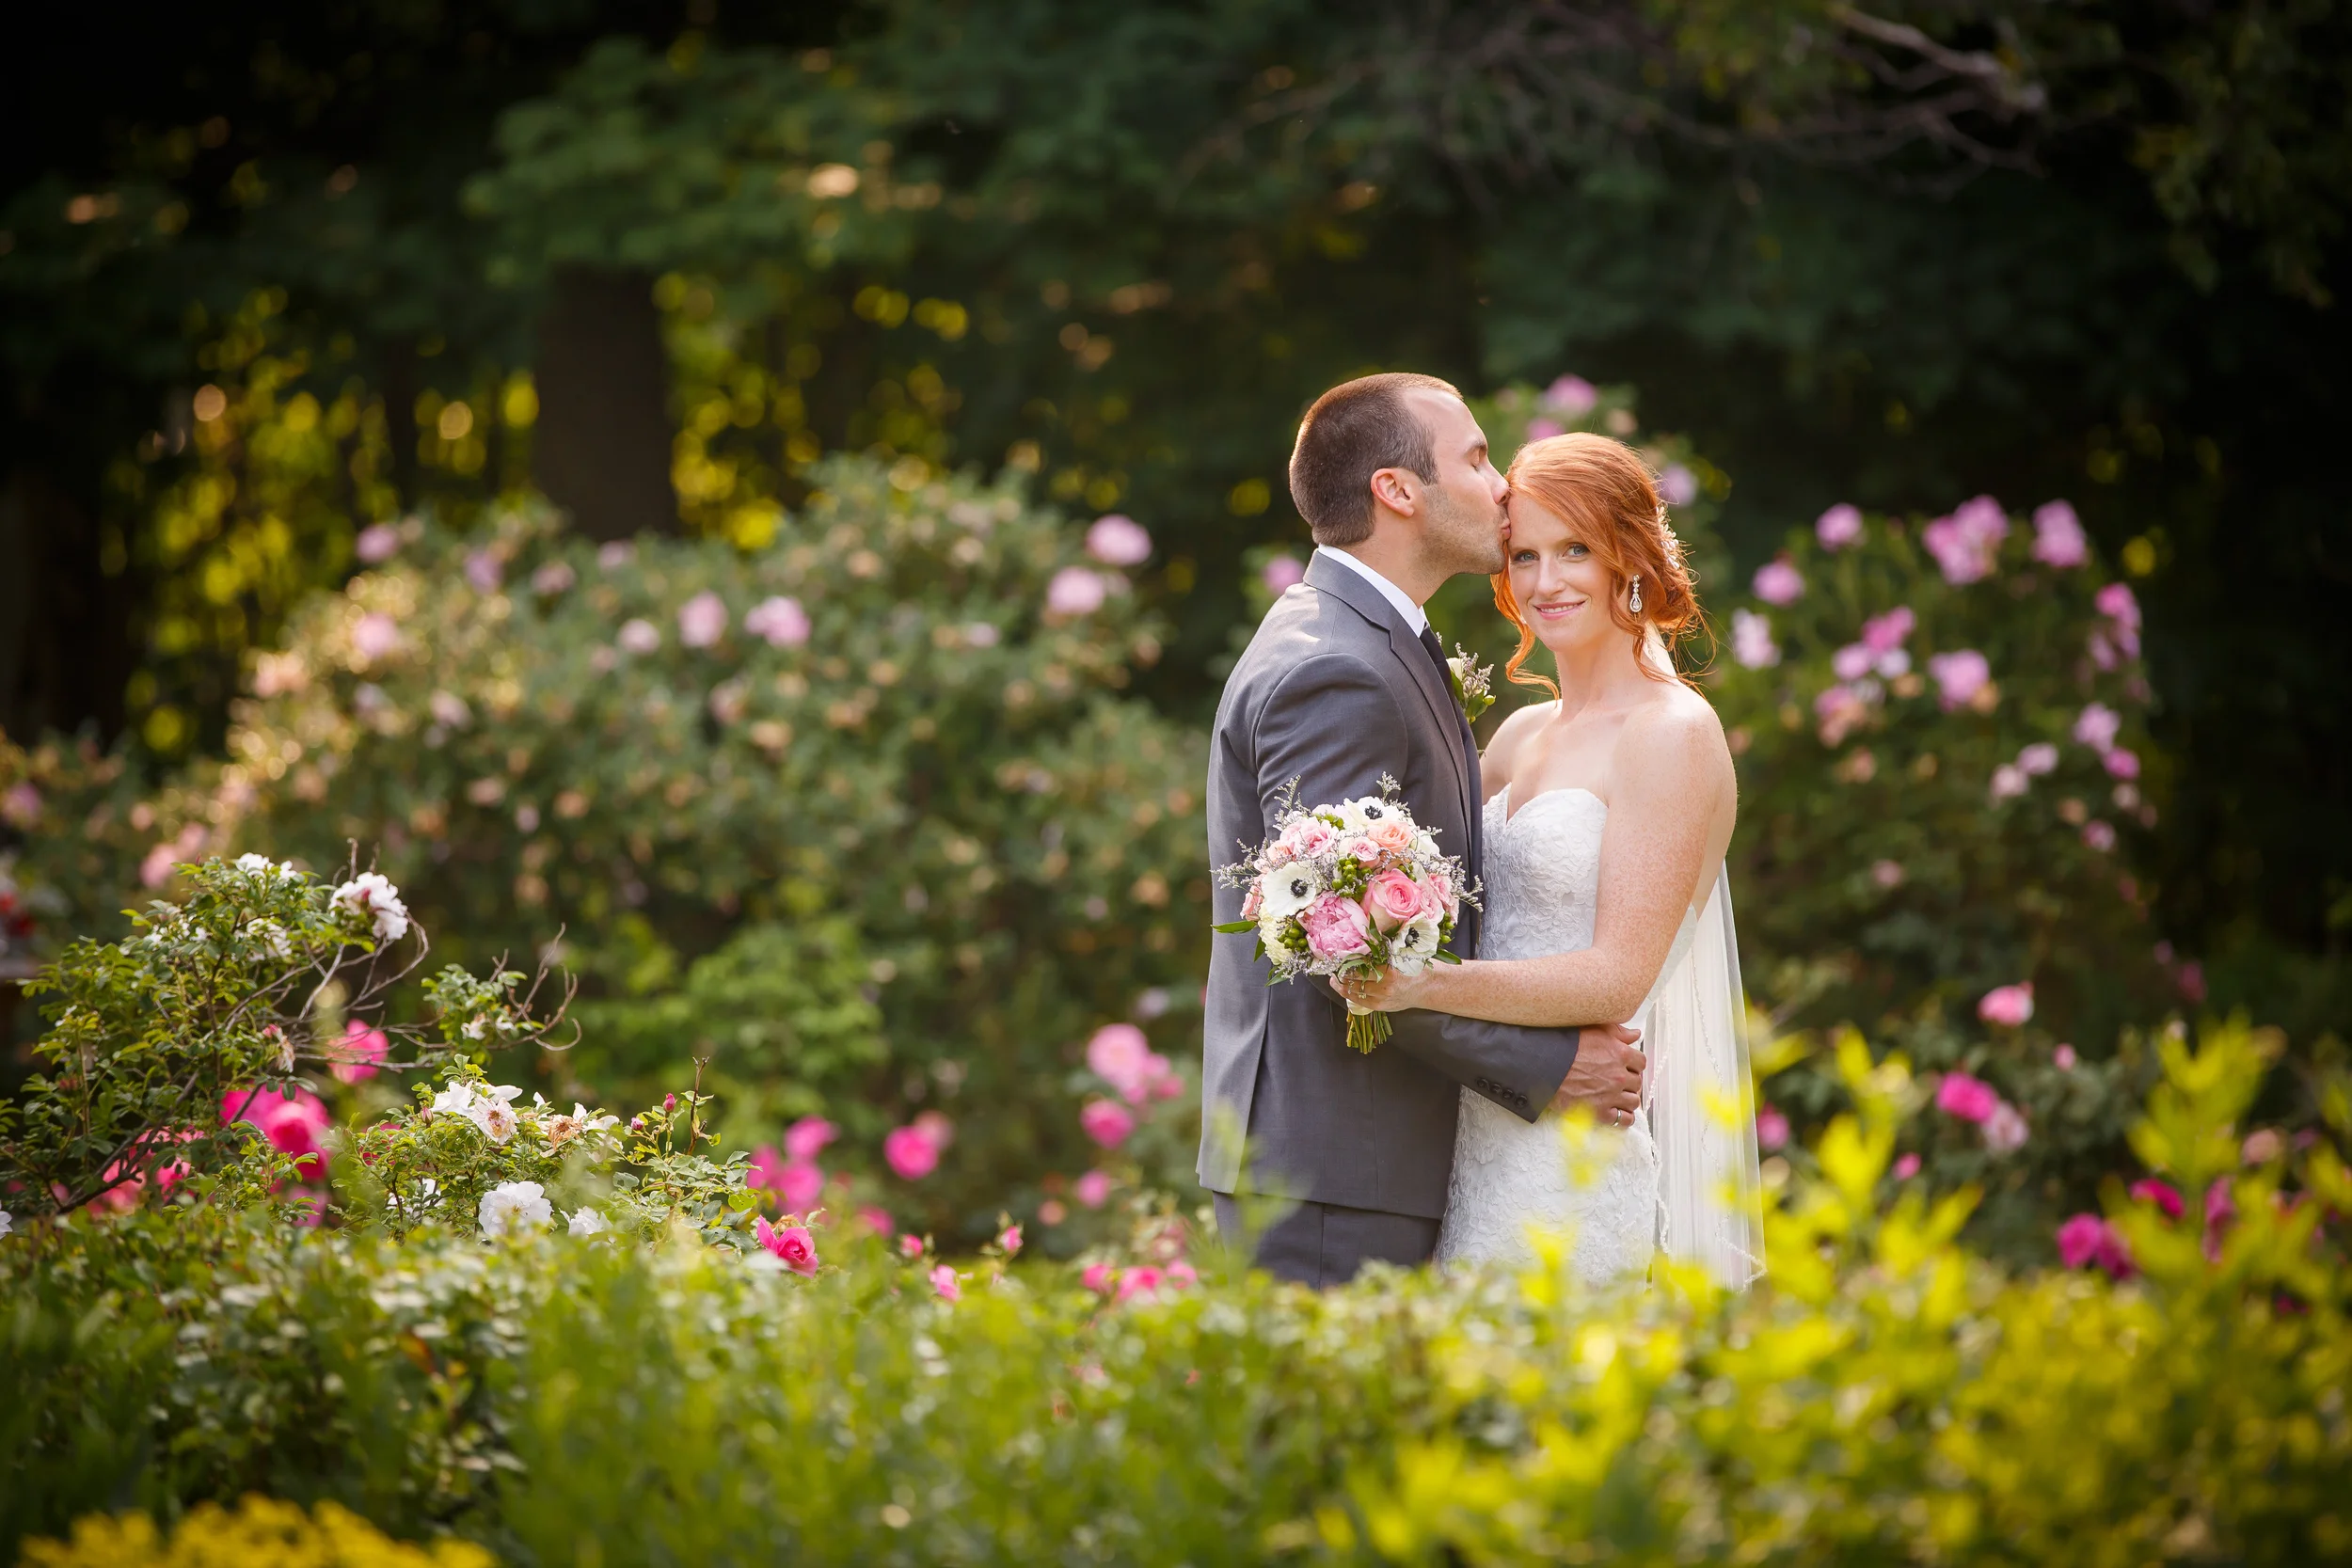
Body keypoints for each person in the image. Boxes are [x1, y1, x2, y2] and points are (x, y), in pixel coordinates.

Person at [1199, 372, 1647, 1289]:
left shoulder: (1374, 642)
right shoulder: (1338, 670)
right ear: (1397, 491)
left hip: (1366, 1164)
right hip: (1333, 1178)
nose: (1502, 488)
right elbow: (1337, 953)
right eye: (1477, 458)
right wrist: (1545, 1065)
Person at [1339, 431, 1766, 1289]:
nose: (1545, 581)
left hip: (1570, 1162)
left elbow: (1616, 977)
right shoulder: (1519, 736)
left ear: (1630, 556)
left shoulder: (1671, 733)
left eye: (1576, 549)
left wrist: (1419, 982)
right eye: (1525, 555)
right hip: (1470, 1133)